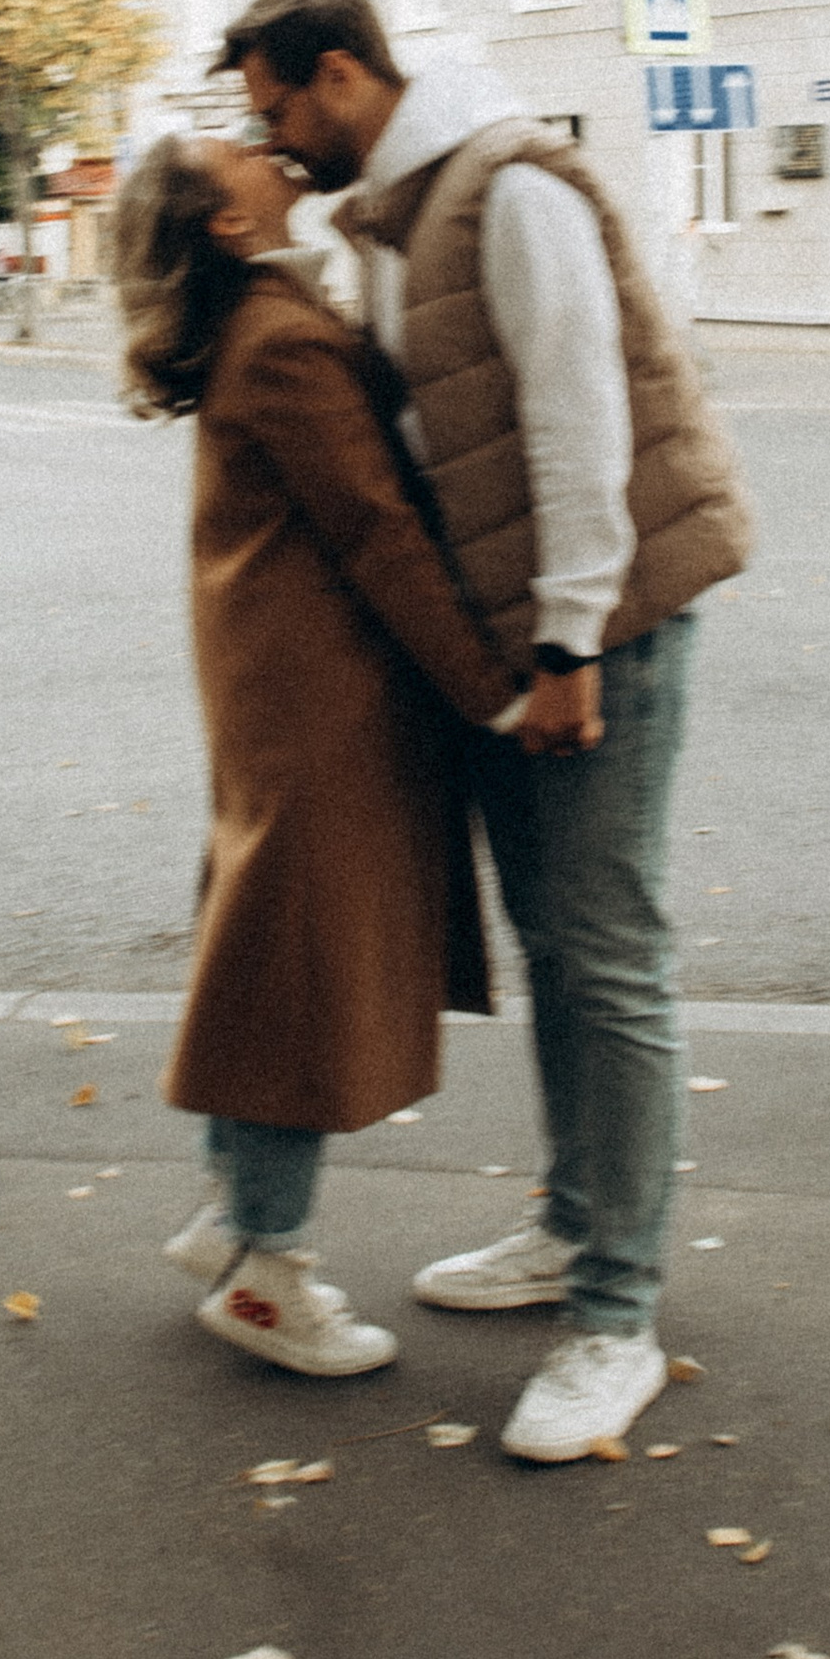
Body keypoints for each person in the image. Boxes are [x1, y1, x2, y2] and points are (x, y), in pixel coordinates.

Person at [217, 0, 753, 1465]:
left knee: (606, 951)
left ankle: (616, 1314)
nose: (273, 136)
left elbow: (577, 415)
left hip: (603, 627)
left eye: (275, 108)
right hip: (523, 641)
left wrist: (574, 636)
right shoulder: (400, 213)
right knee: (561, 951)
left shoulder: (508, 187)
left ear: (339, 74)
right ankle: (575, 1227)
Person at [114, 131, 524, 1381]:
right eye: (225, 152)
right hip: (321, 695)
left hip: (276, 689)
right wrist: (490, 690)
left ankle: (231, 1211)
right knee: (303, 969)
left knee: (267, 944)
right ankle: (269, 1272)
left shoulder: (264, 315)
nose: (255, 143)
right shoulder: (280, 338)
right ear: (228, 226)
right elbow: (378, 527)